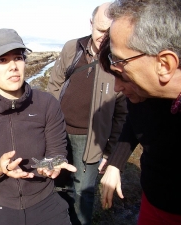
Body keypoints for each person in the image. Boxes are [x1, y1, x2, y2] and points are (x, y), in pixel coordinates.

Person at [0, 28, 77, 225]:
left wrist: (51, 164)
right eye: (2, 60)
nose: (13, 66)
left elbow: (57, 150)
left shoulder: (47, 104)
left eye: (18, 57)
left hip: (46, 205)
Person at [97, 3, 181, 223]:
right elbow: (134, 124)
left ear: (164, 64)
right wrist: (115, 162)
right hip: (154, 202)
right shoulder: (143, 95)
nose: (116, 87)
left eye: (121, 66)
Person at [47, 2, 127, 225]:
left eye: (110, 31)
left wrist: (110, 152)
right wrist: (48, 129)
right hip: (59, 133)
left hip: (92, 141)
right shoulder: (72, 48)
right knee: (57, 185)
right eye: (101, 29)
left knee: (84, 192)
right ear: (91, 23)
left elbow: (122, 113)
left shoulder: (119, 60)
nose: (104, 36)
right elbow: (54, 87)